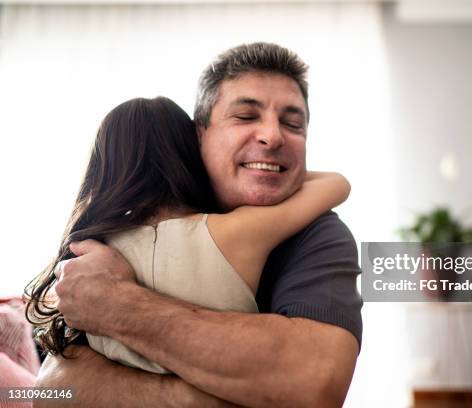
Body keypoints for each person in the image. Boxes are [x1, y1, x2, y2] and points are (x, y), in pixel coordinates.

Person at [34, 42, 362, 407]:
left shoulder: (320, 235)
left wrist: (116, 303)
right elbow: (49, 386)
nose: (274, 135)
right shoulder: (106, 251)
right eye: (246, 116)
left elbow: (313, 383)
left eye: (292, 123)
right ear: (198, 134)